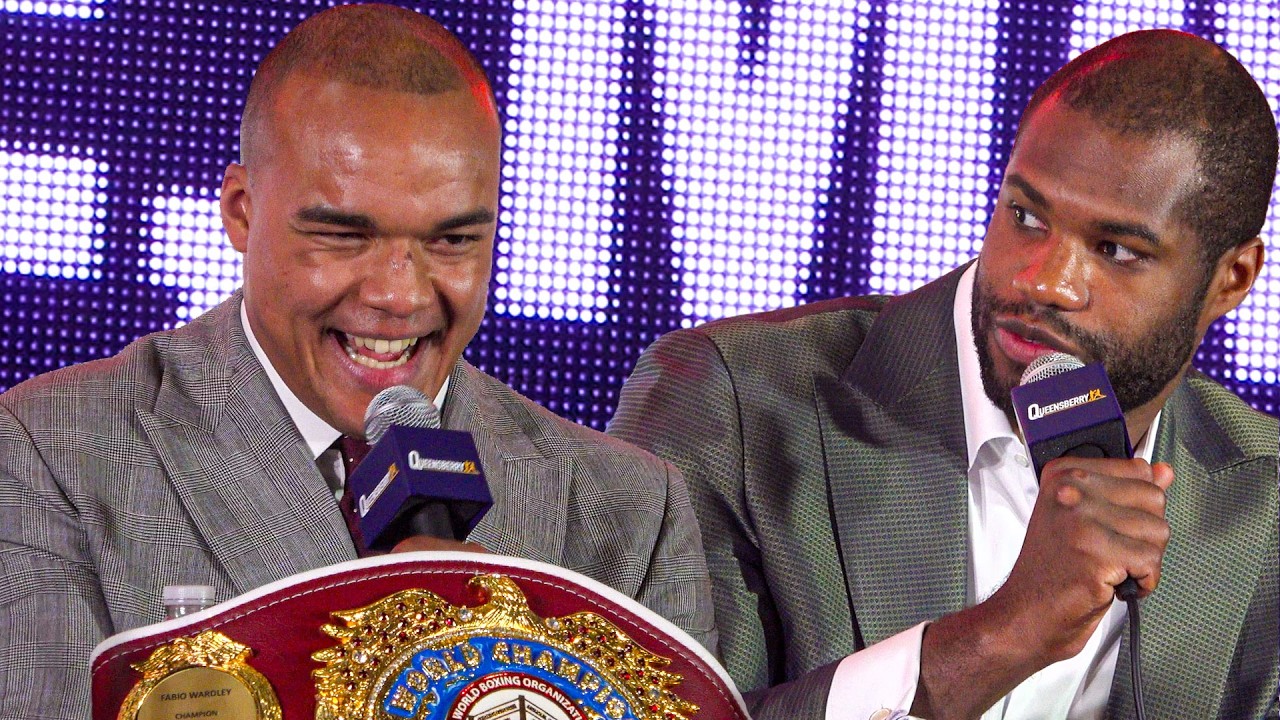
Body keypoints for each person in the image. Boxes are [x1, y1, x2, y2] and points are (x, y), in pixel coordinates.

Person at [0, 5, 713, 716]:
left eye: (452, 242)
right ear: (241, 213)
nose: (400, 295)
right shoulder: (50, 453)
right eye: (343, 237)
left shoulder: (628, 511)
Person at [609, 29, 1278, 720]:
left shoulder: (1267, 508)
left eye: (1114, 250)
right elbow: (643, 710)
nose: (1042, 280)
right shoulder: (735, 403)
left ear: (1232, 279)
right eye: (1025, 215)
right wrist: (1001, 637)